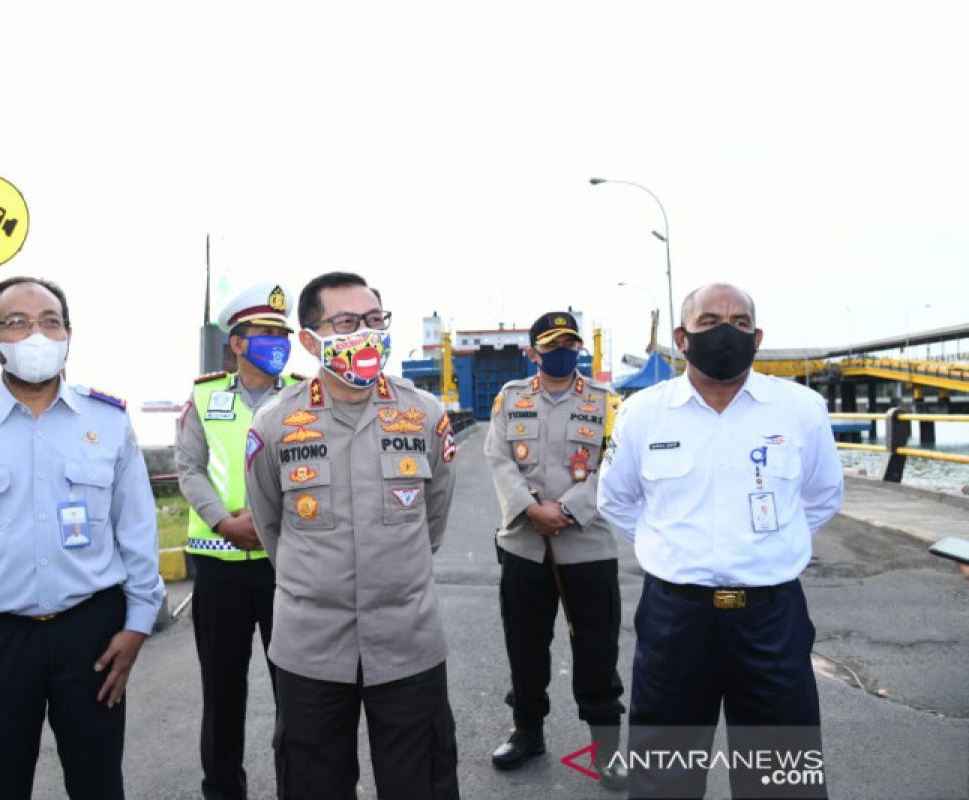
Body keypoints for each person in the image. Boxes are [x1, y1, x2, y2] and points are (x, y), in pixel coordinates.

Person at [0, 276, 165, 799]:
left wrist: (137, 627)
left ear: (69, 333)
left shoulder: (108, 421)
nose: (36, 334)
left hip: (93, 636)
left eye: (50, 321)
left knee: (99, 784)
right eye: (17, 323)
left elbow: (137, 532)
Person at [598, 282, 843, 798]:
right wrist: (671, 552)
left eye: (738, 322)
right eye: (709, 322)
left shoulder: (800, 408)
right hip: (674, 621)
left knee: (781, 780)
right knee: (664, 779)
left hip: (771, 619)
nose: (725, 332)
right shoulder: (644, 412)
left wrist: (769, 551)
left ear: (757, 337)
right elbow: (616, 500)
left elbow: (820, 497)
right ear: (682, 338)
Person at [245, 271, 460, 800]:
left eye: (374, 321)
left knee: (421, 785)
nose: (365, 333)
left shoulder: (425, 415)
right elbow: (271, 526)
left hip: (407, 642)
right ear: (311, 340)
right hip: (311, 648)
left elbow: (433, 520)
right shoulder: (274, 424)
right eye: (347, 322)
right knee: (313, 785)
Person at [483, 310, 628, 790]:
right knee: (525, 646)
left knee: (597, 648)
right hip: (524, 545)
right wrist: (529, 509)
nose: (562, 351)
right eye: (552, 344)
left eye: (570, 343)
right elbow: (498, 458)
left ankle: (606, 749)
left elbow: (613, 462)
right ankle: (528, 732)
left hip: (586, 544)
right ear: (533, 352)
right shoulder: (511, 398)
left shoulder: (606, 402)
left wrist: (566, 509)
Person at [175, 281, 302, 800]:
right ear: (237, 343)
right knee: (222, 693)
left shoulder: (302, 395)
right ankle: (222, 791)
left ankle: (302, 786)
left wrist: (272, 521)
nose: (277, 341)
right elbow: (189, 467)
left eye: (282, 332)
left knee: (297, 691)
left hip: (287, 565)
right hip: (220, 564)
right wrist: (223, 521)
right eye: (265, 332)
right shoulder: (205, 397)